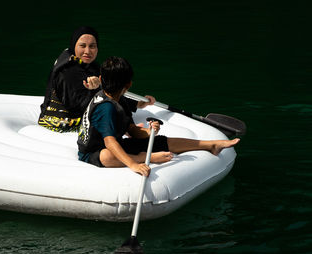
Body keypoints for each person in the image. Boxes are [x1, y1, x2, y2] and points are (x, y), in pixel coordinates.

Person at [77, 56, 240, 176]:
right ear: (128, 85)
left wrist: (149, 132)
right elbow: (110, 142)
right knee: (107, 156)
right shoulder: (105, 108)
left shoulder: (120, 100)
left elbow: (131, 130)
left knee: (159, 140)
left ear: (100, 79)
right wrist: (135, 164)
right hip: (94, 152)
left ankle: (210, 145)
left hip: (116, 143)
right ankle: (145, 157)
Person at [38, 26, 154, 132]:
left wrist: (137, 104)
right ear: (74, 46)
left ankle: (131, 128)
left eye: (92, 46)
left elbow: (110, 91)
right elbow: (81, 106)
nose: (87, 51)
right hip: (62, 121)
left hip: (81, 110)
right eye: (82, 46)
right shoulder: (66, 71)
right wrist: (95, 90)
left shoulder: (91, 66)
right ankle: (131, 131)